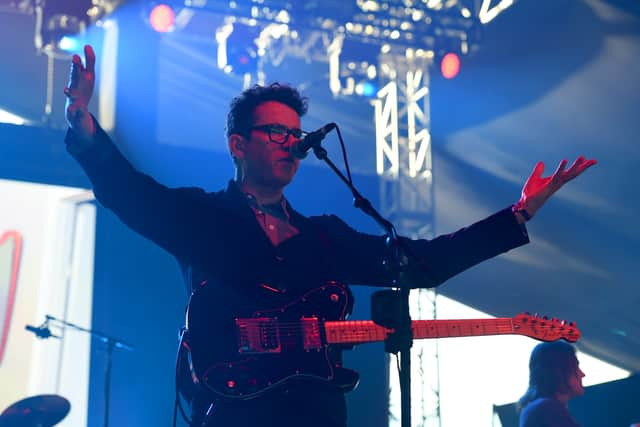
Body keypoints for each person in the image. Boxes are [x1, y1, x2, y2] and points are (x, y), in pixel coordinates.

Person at [63, 45, 596, 427]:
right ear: (237, 145)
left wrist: (520, 213)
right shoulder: (205, 217)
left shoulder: (323, 236)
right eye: (275, 131)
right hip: (235, 407)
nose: (289, 143)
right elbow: (132, 196)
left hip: (315, 410)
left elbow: (422, 263)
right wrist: (84, 125)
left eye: (295, 134)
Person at [518, 341, 586, 427]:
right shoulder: (546, 409)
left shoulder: (540, 408)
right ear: (559, 371)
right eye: (575, 367)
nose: (582, 374)